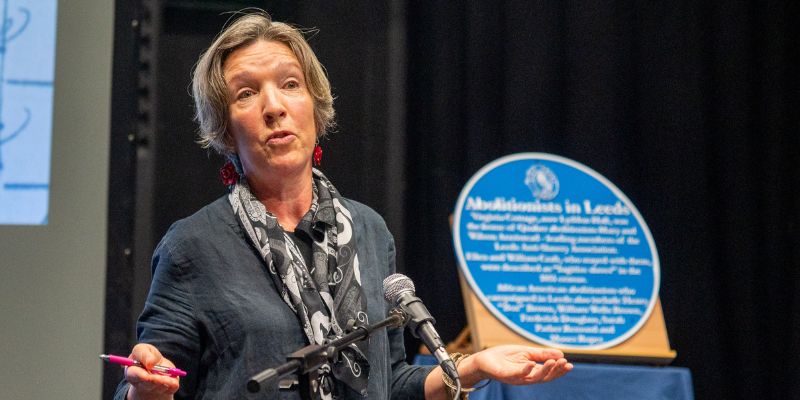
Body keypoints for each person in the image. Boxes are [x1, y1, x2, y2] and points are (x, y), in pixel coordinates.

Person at [114, 10, 572, 400]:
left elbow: (391, 380)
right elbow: (146, 379)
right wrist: (145, 390)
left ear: (314, 106)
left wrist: (474, 367)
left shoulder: (368, 229)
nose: (274, 106)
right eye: (246, 93)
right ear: (225, 129)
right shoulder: (195, 246)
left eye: (290, 84)